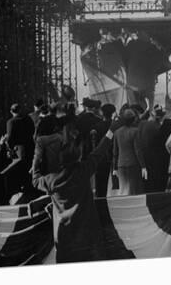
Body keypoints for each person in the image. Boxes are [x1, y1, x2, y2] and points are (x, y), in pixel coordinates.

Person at [32, 118, 123, 263]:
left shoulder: (50, 180)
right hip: (88, 235)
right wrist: (111, 131)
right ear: (78, 157)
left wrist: (38, 152)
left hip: (63, 237)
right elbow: (100, 151)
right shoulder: (84, 170)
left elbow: (35, 178)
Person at [112, 108, 145, 195]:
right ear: (133, 119)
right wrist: (143, 166)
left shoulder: (117, 132)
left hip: (121, 165)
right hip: (133, 164)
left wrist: (114, 168)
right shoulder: (135, 131)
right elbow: (138, 151)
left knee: (123, 189)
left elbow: (115, 152)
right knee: (134, 190)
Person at [94, 103, 116, 197]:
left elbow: (95, 144)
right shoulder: (115, 125)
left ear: (102, 113)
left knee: (100, 184)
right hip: (114, 157)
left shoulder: (97, 126)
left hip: (101, 158)